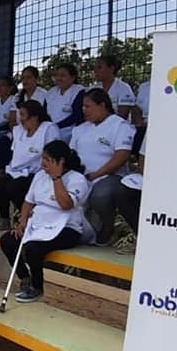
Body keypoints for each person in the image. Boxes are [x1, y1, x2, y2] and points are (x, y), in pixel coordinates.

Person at [0, 141, 90, 303]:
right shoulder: (40, 176)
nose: (43, 164)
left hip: (66, 228)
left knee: (33, 248)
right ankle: (25, 278)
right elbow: (28, 202)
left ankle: (37, 287)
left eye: (48, 160)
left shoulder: (77, 179)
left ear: (61, 161)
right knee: (7, 240)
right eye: (43, 159)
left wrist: (56, 177)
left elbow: (66, 204)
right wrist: (22, 221)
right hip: (39, 224)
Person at [69, 88, 135, 246]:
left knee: (100, 195)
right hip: (82, 176)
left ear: (102, 105)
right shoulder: (80, 129)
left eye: (88, 106)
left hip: (110, 176)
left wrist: (97, 174)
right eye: (83, 106)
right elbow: (71, 154)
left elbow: (121, 156)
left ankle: (108, 227)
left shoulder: (120, 126)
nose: (84, 110)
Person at [0, 100, 60, 231]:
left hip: (39, 172)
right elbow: (15, 154)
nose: (20, 119)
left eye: (23, 115)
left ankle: (26, 215)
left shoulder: (49, 129)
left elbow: (52, 153)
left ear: (35, 117)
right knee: (0, 186)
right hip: (17, 170)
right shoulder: (18, 131)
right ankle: (5, 220)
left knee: (14, 187)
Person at [114, 131, 147, 255]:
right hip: (153, 176)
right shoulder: (156, 126)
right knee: (123, 192)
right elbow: (142, 160)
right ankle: (142, 237)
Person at [46, 63, 86, 143]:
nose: (58, 78)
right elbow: (44, 111)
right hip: (50, 132)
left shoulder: (79, 91)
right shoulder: (51, 92)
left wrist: (56, 126)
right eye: (56, 75)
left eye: (62, 75)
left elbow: (77, 115)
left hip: (70, 134)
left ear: (73, 77)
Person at [91, 55, 136, 120]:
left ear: (111, 69)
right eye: (94, 68)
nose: (95, 71)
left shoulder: (124, 88)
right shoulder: (93, 89)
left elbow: (122, 117)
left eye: (99, 67)